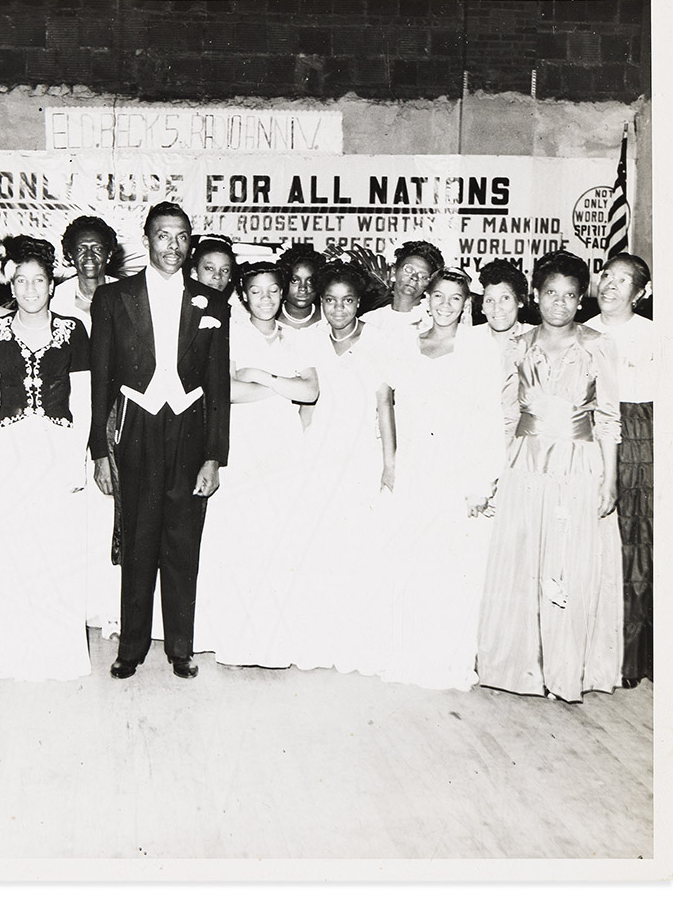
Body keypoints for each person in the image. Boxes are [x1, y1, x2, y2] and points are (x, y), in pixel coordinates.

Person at [89, 202, 230, 679]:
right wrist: (99, 451)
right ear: (146, 239)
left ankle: (181, 647)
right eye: (164, 236)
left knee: (181, 542)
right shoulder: (113, 299)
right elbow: (101, 380)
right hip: (136, 427)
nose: (174, 245)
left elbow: (219, 389)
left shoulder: (211, 303)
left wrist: (214, 456)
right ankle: (131, 647)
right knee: (138, 541)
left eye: (182, 237)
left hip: (189, 428)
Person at [476, 250, 624, 703]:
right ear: (535, 297)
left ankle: (566, 669)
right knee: (525, 562)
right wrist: (496, 473)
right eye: (551, 293)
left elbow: (609, 418)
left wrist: (610, 480)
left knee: (569, 564)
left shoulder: (598, 344)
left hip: (579, 467)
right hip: (526, 465)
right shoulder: (518, 347)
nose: (559, 303)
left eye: (570, 296)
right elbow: (505, 416)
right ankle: (520, 667)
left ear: (582, 301)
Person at [377, 267, 505, 690]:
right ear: (426, 300)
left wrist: (480, 483)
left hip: (457, 469)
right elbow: (387, 402)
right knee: (409, 560)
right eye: (439, 297)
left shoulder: (479, 349)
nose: (446, 305)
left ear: (466, 304)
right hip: (415, 466)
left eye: (455, 299)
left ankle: (445, 661)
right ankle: (406, 657)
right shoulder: (405, 345)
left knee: (452, 567)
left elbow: (488, 420)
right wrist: (391, 462)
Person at [0, 237, 92, 680]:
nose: (29, 290)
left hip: (57, 450)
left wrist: (74, 460)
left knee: (57, 554)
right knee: (10, 556)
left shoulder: (73, 330)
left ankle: (57, 658)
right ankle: (12, 657)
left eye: (38, 280)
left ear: (51, 283)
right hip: (11, 451)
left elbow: (83, 399)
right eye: (20, 280)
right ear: (10, 283)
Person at [192, 263, 318, 667]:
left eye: (273, 291)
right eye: (256, 292)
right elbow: (224, 390)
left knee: (278, 539)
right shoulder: (229, 333)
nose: (265, 299)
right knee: (240, 539)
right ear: (243, 295)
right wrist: (283, 388)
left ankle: (274, 642)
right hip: (243, 446)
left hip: (283, 447)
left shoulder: (297, 339)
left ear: (283, 294)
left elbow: (311, 390)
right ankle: (235, 640)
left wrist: (262, 376)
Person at [287, 259, 396, 675]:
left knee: (356, 549)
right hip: (320, 454)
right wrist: (301, 455)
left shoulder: (378, 339)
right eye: (329, 301)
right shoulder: (310, 339)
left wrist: (388, 462)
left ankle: (353, 643)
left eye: (347, 301)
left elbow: (384, 402)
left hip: (361, 456)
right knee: (319, 548)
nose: (337, 309)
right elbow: (305, 405)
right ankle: (317, 641)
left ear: (358, 303)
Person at [583, 252, 656, 689]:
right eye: (606, 275)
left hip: (639, 438)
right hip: (588, 437)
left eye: (623, 280)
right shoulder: (581, 331)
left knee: (636, 541)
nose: (609, 285)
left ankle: (634, 658)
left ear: (640, 293)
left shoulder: (655, 337)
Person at [51, 215, 122, 637]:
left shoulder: (124, 296)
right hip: (65, 420)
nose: (89, 256)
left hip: (113, 421)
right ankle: (73, 609)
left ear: (110, 253)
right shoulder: (53, 298)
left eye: (97, 248)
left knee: (109, 513)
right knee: (70, 516)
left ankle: (109, 611)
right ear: (68, 255)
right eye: (80, 249)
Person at [361, 240, 444, 335]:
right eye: (408, 270)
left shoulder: (432, 324)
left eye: (423, 276)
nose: (414, 277)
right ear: (393, 272)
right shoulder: (371, 320)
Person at [479, 259, 533, 363]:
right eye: (490, 300)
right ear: (482, 307)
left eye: (505, 298)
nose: (497, 308)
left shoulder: (536, 337)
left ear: (520, 301)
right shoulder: (470, 339)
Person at [276, 243, 324, 333]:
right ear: (284, 281)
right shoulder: (270, 318)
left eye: (310, 281)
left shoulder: (327, 320)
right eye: (295, 280)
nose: (303, 288)